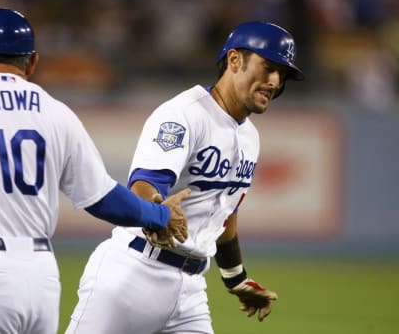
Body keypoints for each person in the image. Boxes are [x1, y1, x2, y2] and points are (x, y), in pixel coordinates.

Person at [0, 8, 191, 334]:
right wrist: (158, 215)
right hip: (41, 278)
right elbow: (102, 198)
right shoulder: (56, 112)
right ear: (32, 62)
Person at [66, 21, 304, 333]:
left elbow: (224, 219)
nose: (274, 81)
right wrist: (157, 211)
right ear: (235, 60)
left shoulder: (250, 137)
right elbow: (143, 185)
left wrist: (236, 280)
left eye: (281, 74)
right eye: (268, 67)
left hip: (191, 290)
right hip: (134, 274)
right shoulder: (184, 114)